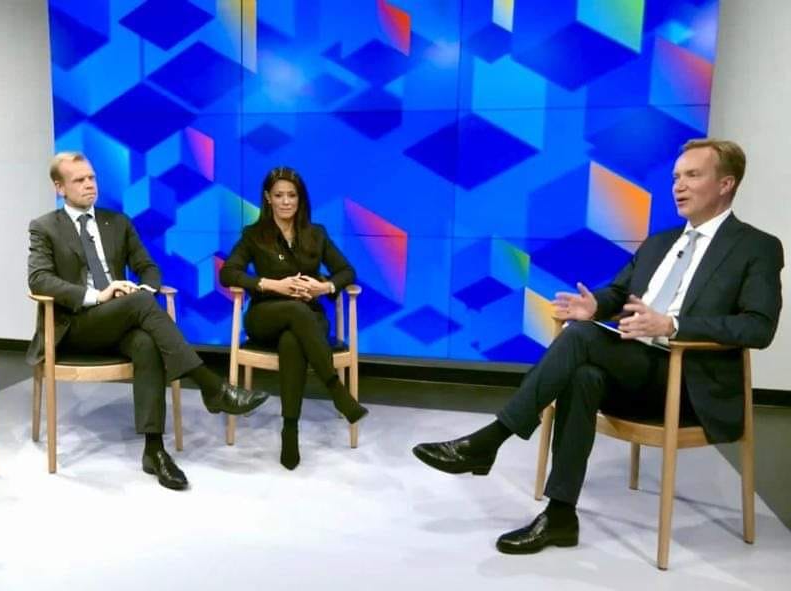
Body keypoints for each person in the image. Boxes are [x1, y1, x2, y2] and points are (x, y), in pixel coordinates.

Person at [413, 138, 783, 554]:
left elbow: (758, 326)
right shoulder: (661, 242)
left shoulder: (756, 247)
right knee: (584, 375)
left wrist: (674, 325)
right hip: (637, 372)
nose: (678, 186)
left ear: (725, 184)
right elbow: (620, 293)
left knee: (582, 337)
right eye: (676, 177)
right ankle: (560, 515)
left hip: (689, 383)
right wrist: (595, 306)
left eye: (692, 175)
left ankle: (491, 439)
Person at [27, 152, 271, 490]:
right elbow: (39, 280)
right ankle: (211, 386)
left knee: (146, 342)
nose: (89, 185)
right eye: (79, 180)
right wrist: (98, 295)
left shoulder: (117, 222)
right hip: (75, 325)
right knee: (140, 304)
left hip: (119, 319)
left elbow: (148, 268)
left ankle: (154, 451)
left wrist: (143, 288)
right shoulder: (44, 227)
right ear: (59, 188)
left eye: (92, 178)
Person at [219, 166, 367, 470]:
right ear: (268, 198)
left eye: (292, 195)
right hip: (266, 316)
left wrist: (324, 287)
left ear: (300, 198)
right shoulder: (254, 235)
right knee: (295, 312)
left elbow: (347, 272)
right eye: (279, 196)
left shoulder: (316, 234)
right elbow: (228, 273)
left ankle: (290, 430)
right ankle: (336, 390)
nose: (286, 202)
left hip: (309, 319)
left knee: (292, 340)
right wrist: (273, 285)